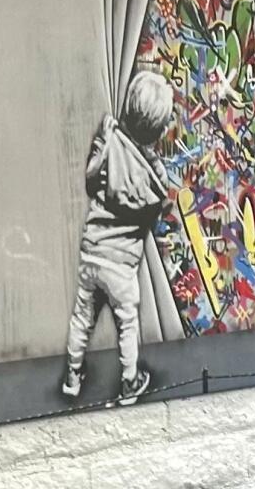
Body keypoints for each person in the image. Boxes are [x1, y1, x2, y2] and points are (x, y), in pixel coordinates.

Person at [58, 69, 174, 407]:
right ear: (160, 131)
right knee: (127, 325)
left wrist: (102, 141)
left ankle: (71, 375)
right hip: (122, 266)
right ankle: (128, 382)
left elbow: (91, 182)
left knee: (82, 316)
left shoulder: (110, 144)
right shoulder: (157, 178)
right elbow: (155, 214)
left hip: (92, 253)